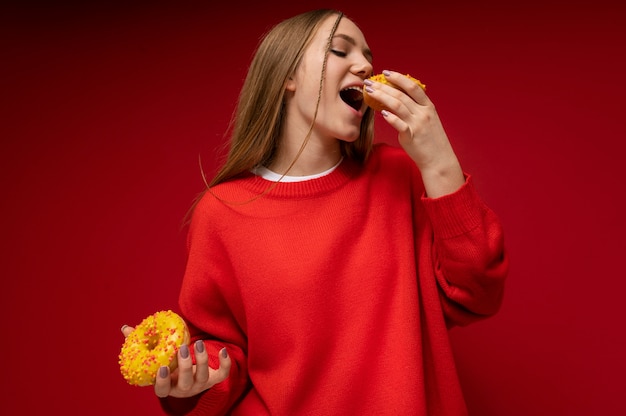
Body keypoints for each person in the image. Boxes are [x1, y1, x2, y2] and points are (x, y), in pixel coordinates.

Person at [121, 8, 508, 415]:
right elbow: (221, 352)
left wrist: (437, 160)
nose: (365, 65)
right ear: (286, 76)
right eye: (341, 51)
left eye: (367, 55)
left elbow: (478, 291)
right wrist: (196, 380)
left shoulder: (398, 177)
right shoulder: (221, 213)